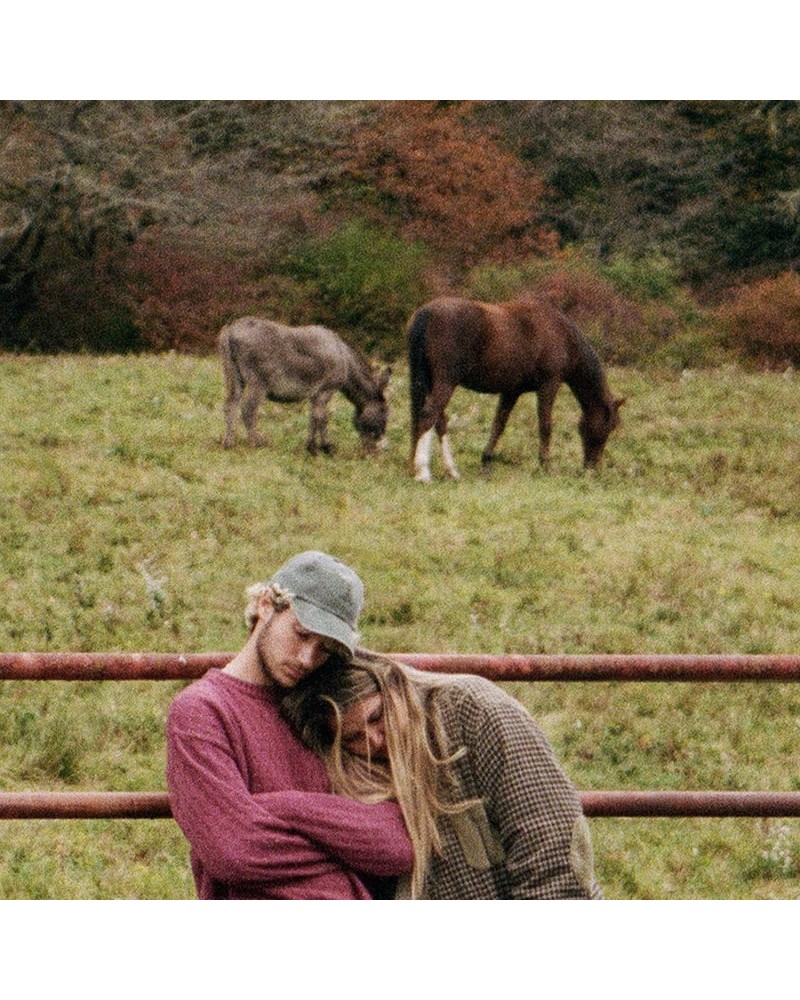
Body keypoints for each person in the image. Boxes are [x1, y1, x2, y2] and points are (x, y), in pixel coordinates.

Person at [165, 551, 413, 899]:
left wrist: (274, 807)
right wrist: (344, 868)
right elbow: (233, 849)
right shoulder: (201, 712)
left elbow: (396, 841)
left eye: (325, 649)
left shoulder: (325, 706)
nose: (308, 659)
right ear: (267, 604)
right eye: (301, 634)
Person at [282, 649, 603, 899]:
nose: (374, 740)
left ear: (393, 682)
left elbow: (552, 845)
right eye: (353, 738)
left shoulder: (476, 711)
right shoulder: (357, 770)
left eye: (377, 716)